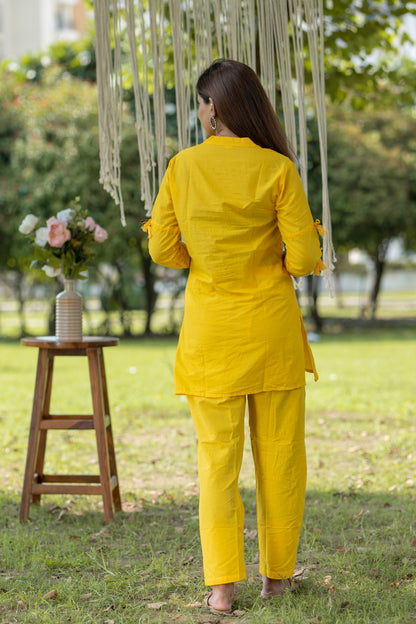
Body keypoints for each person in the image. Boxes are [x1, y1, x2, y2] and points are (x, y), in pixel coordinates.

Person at [143, 59, 324, 614]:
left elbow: (162, 251)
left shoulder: (182, 167)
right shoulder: (278, 169)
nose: (199, 111)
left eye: (200, 102)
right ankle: (278, 578)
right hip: (270, 332)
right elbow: (307, 258)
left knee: (216, 462)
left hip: (210, 337)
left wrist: (204, 256)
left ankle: (222, 589)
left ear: (212, 107)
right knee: (280, 457)